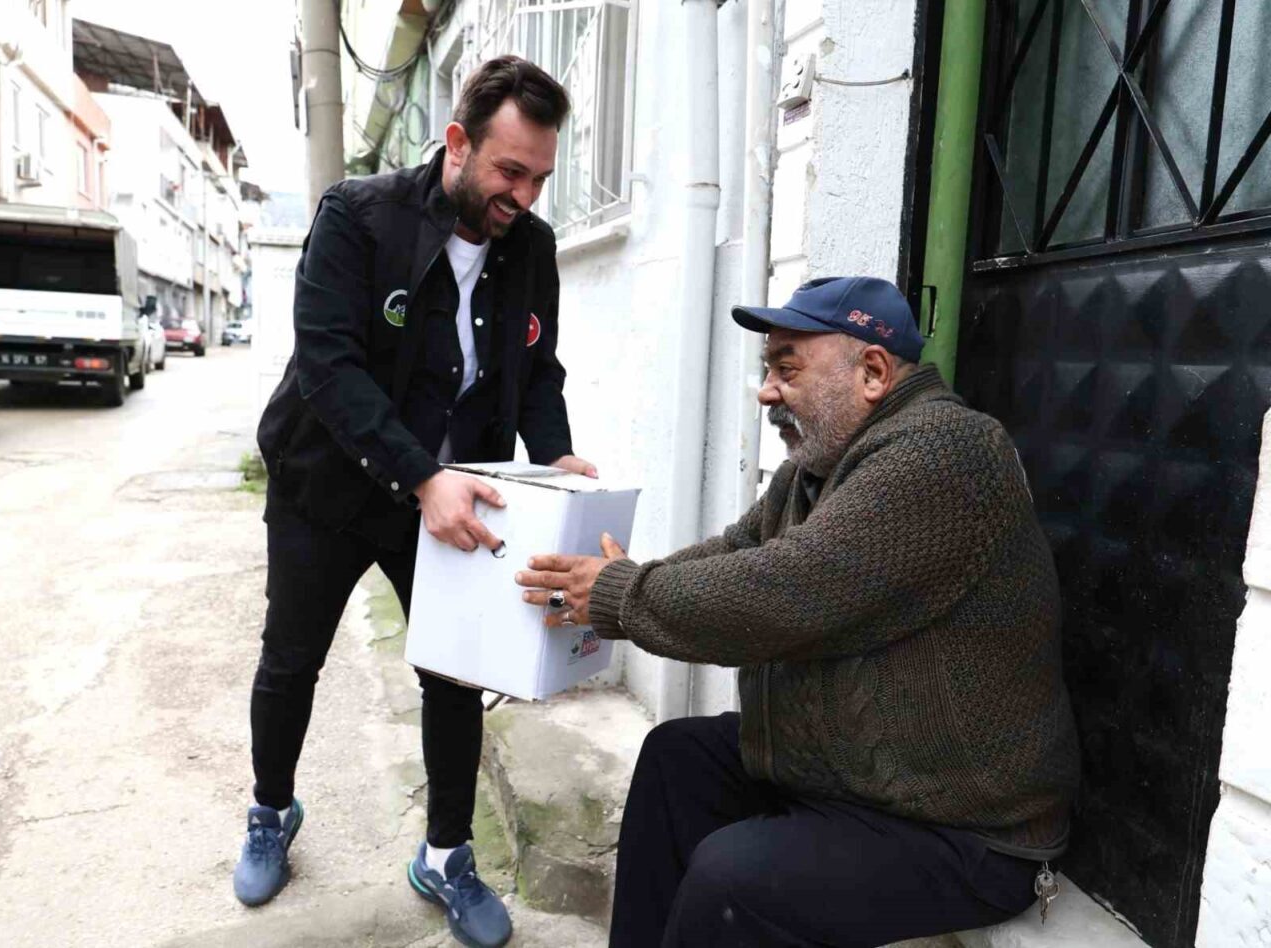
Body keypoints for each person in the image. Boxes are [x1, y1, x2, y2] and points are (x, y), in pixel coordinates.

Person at [515, 276, 1081, 948]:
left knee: (733, 881)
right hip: (858, 777)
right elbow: (733, 553)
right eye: (766, 369)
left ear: (872, 371)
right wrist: (612, 584)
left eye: (787, 368)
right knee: (677, 759)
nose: (766, 390)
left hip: (965, 828)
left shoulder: (945, 454)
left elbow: (784, 592)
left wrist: (621, 593)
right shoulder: (812, 471)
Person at [234, 56, 594, 948]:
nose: (524, 195)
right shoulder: (359, 216)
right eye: (511, 172)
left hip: (447, 491)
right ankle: (271, 811)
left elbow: (533, 369)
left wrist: (558, 460)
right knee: (292, 659)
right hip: (329, 480)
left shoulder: (532, 249)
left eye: (541, 178)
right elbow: (328, 362)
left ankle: (445, 854)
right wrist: (420, 474)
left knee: (452, 672)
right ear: (459, 142)